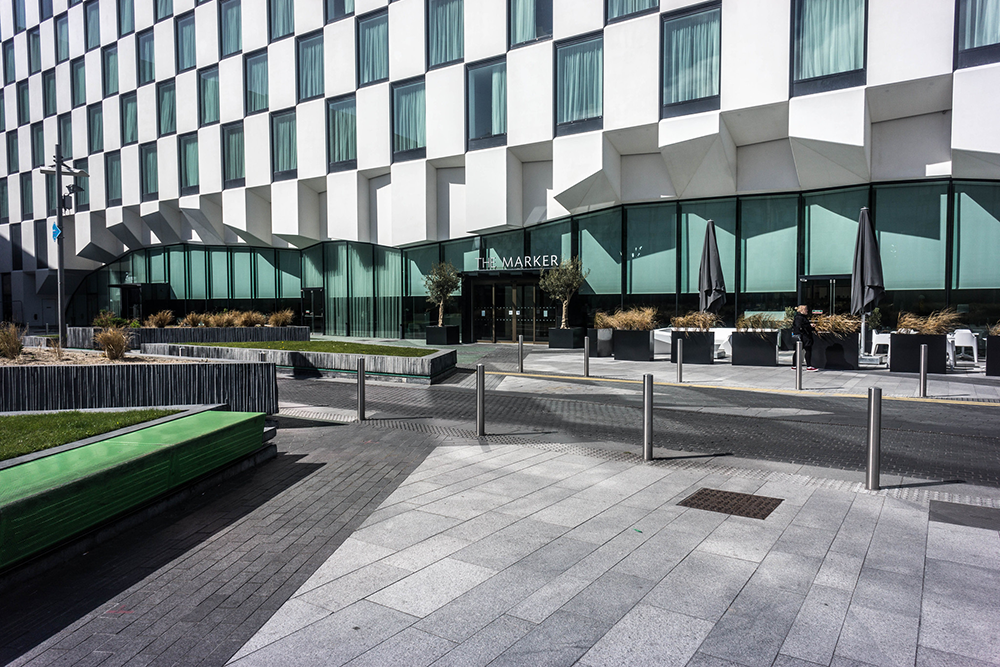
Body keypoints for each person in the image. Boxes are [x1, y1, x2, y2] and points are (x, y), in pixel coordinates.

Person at [792, 304, 818, 371]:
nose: (807, 311)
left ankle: (795, 365)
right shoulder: (799, 318)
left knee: (800, 350)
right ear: (802, 310)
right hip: (803, 336)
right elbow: (800, 326)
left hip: (804, 335)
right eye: (806, 309)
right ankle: (808, 365)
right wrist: (810, 326)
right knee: (806, 350)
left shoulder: (800, 317)